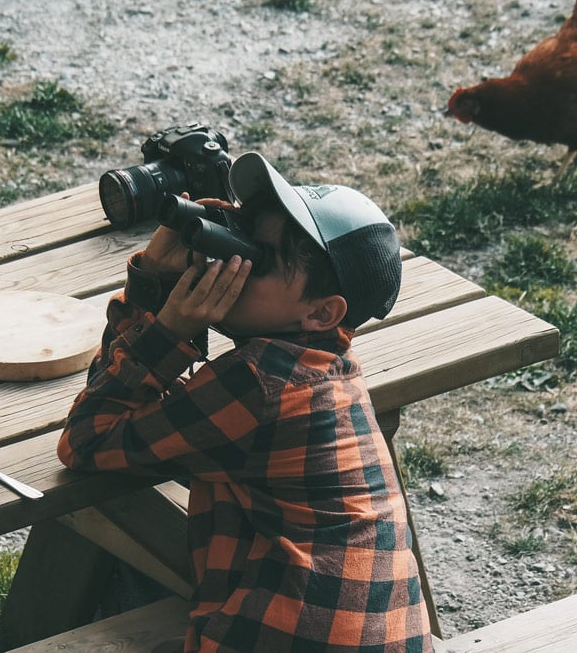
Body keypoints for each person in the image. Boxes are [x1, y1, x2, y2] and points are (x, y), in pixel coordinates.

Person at [58, 151, 433, 652]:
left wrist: (162, 317)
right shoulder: (326, 369)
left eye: (258, 259)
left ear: (322, 312)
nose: (231, 260)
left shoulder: (259, 381)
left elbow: (85, 441)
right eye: (240, 236)